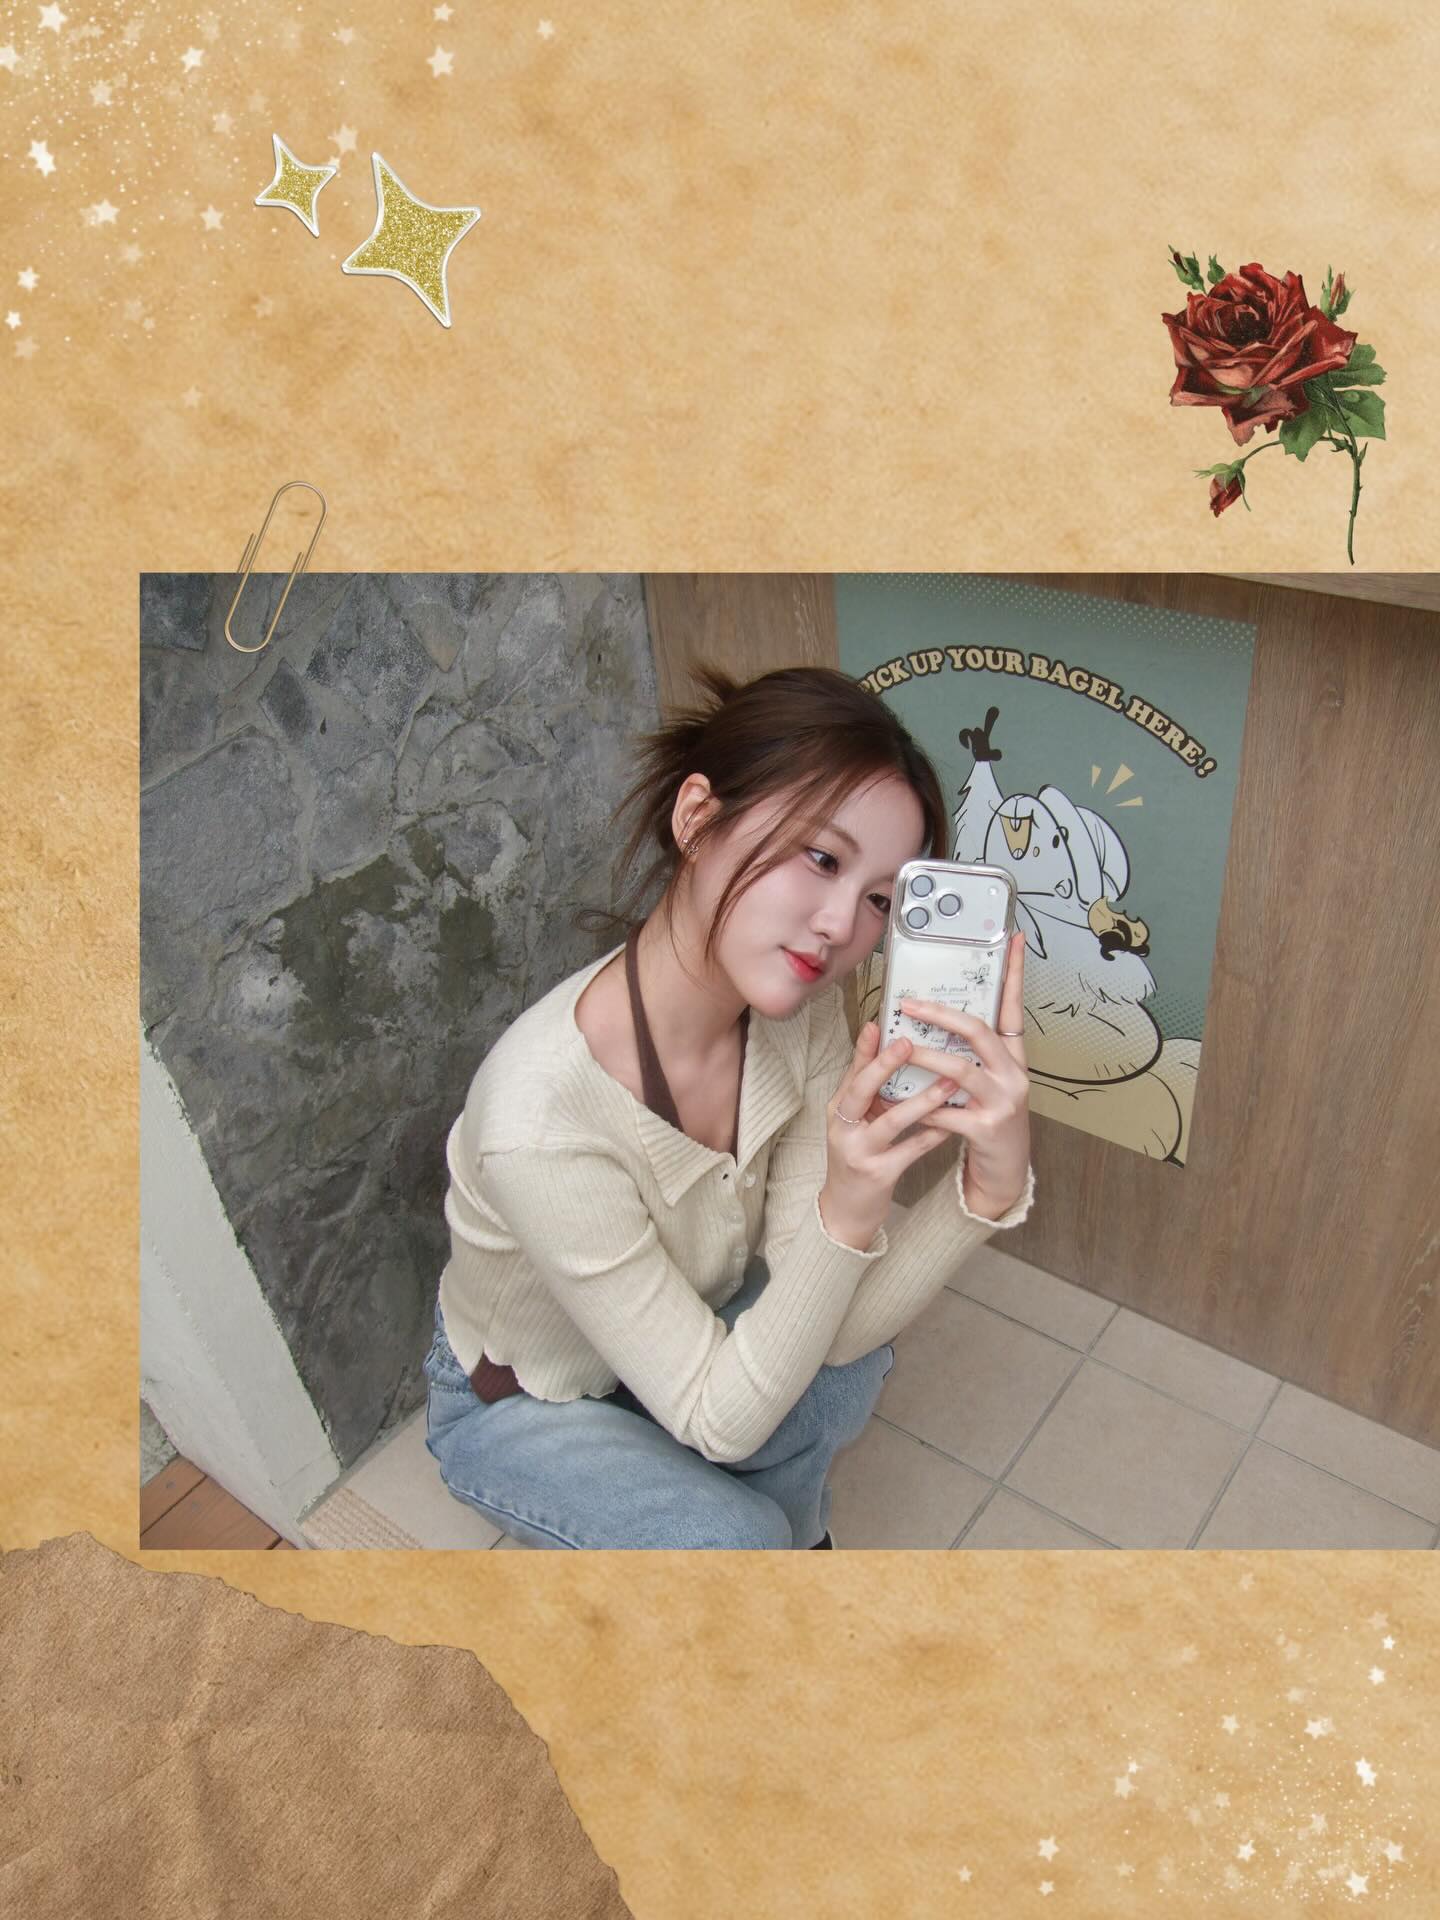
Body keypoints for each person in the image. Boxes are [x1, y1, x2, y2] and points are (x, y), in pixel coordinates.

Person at [423, 663, 1035, 1548]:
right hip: (527, 1396)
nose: (840, 927)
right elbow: (722, 1421)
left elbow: (840, 1333)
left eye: (878, 899)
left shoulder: (803, 1015)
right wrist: (848, 1211)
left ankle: (789, 1554)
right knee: (732, 1536)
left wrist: (986, 1188)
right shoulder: (540, 1121)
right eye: (821, 858)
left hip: (686, 1333)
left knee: (842, 1373)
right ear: (698, 818)